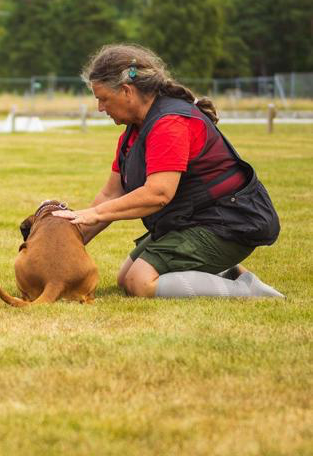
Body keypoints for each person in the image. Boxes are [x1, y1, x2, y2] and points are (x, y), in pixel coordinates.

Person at [53, 44, 283, 299]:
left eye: (103, 98)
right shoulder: (134, 131)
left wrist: (94, 213)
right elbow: (111, 195)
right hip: (195, 220)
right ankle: (228, 272)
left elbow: (158, 194)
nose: (99, 107)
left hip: (228, 222)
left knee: (139, 282)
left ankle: (246, 289)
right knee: (124, 278)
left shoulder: (169, 124)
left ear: (127, 91)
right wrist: (66, 245)